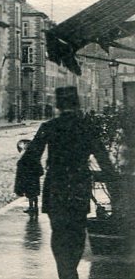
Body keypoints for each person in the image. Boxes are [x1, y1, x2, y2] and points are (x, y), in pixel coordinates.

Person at [18, 86, 117, 279]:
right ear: (77, 104)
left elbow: (30, 157)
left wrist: (29, 180)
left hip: (56, 184)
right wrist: (113, 181)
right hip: (79, 183)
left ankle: (65, 272)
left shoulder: (49, 127)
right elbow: (103, 158)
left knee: (59, 231)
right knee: (78, 230)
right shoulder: (86, 127)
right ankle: (71, 270)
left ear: (58, 105)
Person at [14, 139, 42, 216]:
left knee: (30, 193)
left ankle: (31, 207)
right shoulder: (35, 155)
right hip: (35, 177)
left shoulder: (27, 155)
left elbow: (22, 164)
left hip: (29, 177)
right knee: (34, 194)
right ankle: (35, 208)